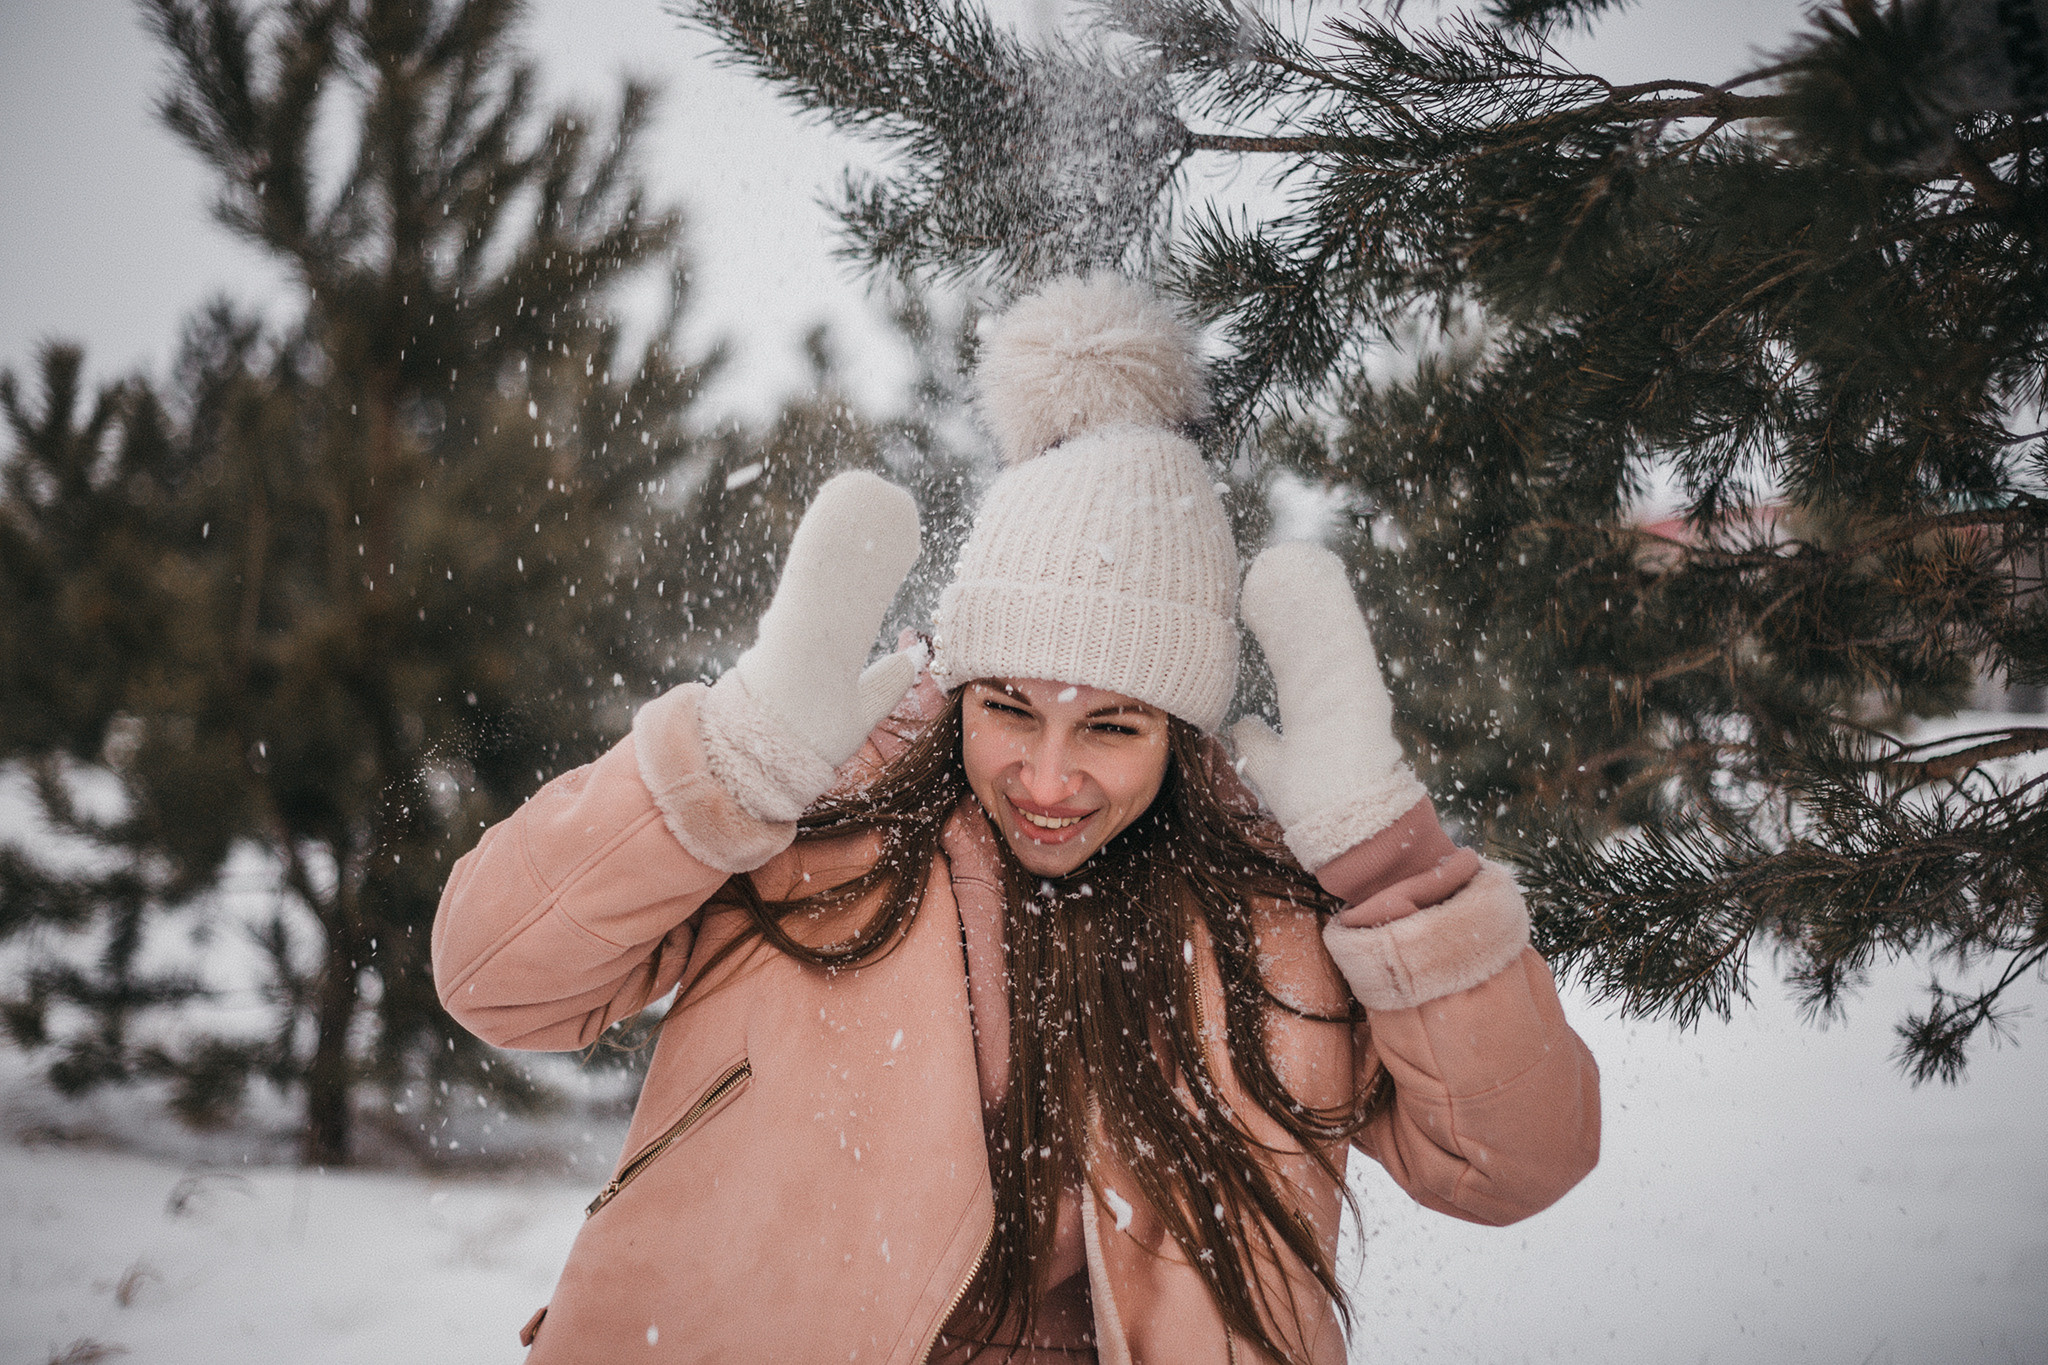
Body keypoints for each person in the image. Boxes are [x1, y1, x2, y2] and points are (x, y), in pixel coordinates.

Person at [433, 276, 1600, 1364]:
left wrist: (1393, 871)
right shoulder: (811, 830)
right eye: (1008, 709)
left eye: (1110, 727)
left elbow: (1512, 1168)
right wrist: (727, 764)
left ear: (1179, 736)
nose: (1046, 780)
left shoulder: (1272, 919)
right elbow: (497, 982)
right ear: (960, 690)